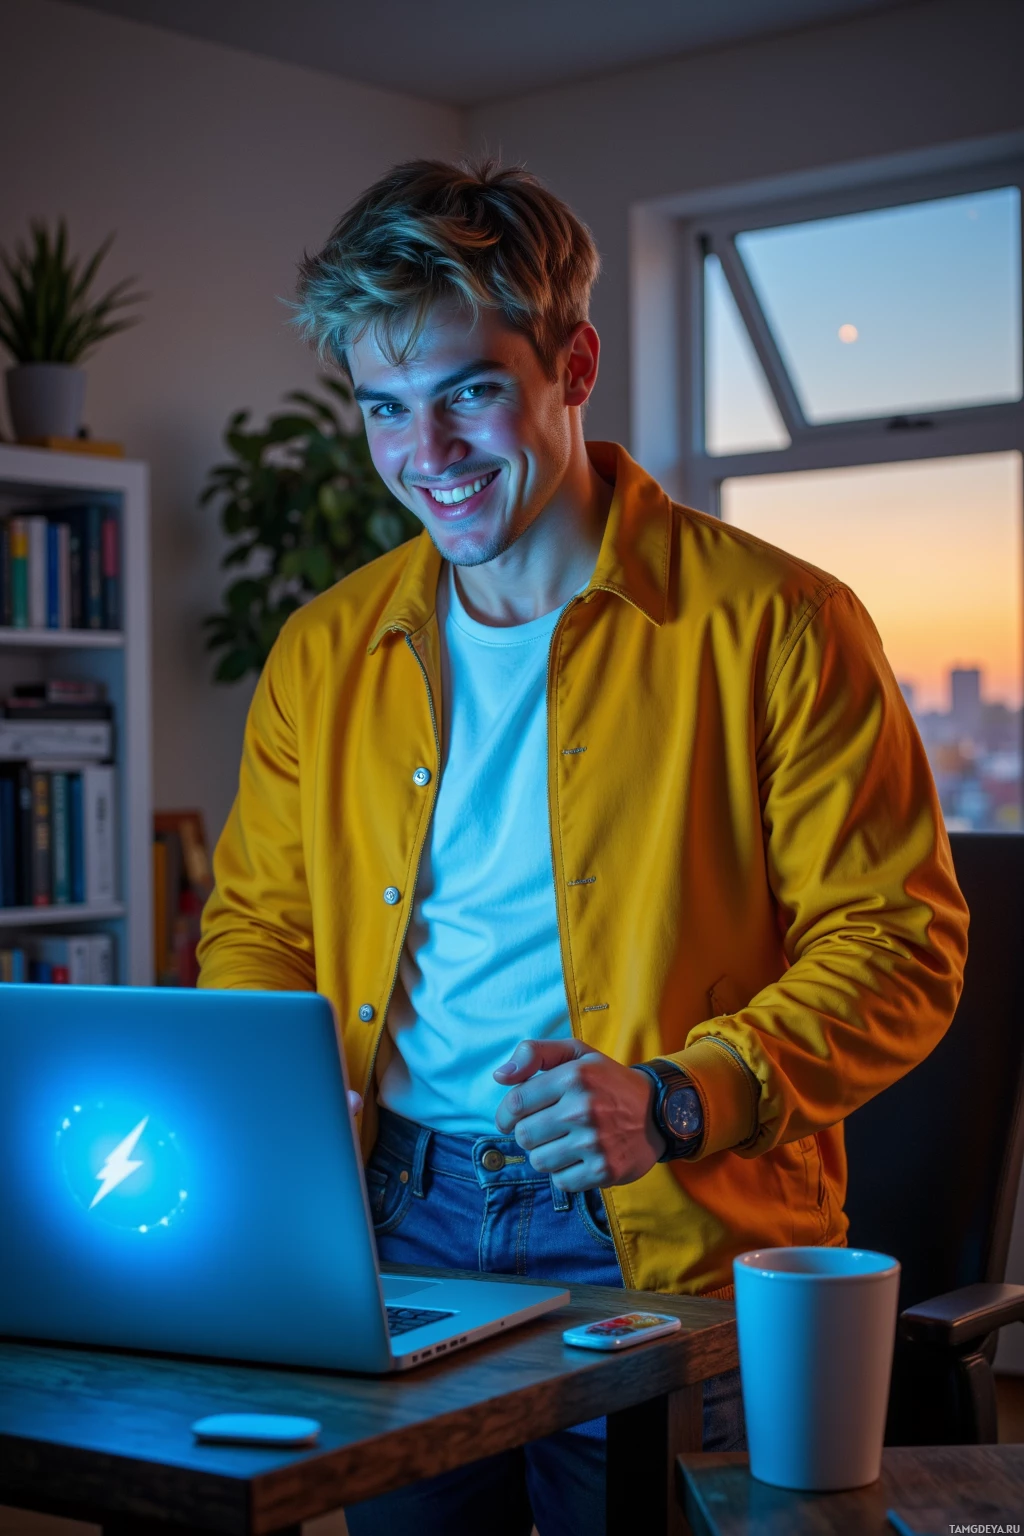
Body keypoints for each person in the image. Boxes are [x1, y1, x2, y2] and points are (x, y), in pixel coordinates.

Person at [197, 159, 969, 1536]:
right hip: (396, 1222)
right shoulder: (326, 650)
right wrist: (277, 1118)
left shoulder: (780, 621)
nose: (424, 455)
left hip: (670, 1228)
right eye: (386, 409)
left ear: (572, 362)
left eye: (469, 392)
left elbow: (902, 945)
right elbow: (261, 926)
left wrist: (676, 1096)